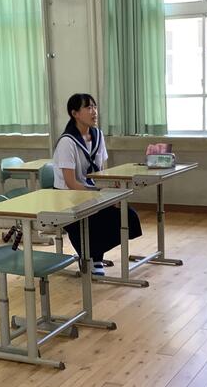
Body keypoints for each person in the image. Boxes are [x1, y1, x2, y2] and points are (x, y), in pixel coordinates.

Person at [52, 93, 142, 275]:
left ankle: (93, 254)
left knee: (128, 216)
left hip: (91, 191)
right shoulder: (67, 142)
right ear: (75, 113)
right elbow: (70, 183)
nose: (94, 111)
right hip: (67, 197)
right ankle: (91, 257)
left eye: (94, 107)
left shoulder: (98, 135)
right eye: (88, 108)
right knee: (93, 218)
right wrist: (99, 197)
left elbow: (100, 172)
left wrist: (110, 191)